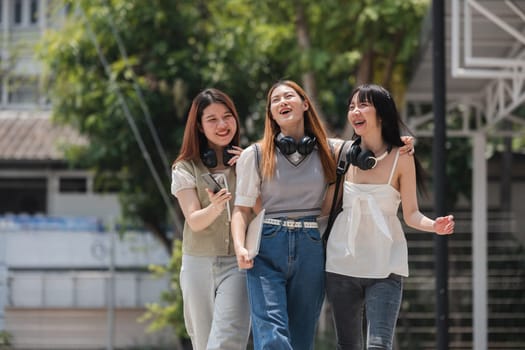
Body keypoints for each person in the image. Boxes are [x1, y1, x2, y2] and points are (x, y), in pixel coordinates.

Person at [325, 83, 455, 350]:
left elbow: (411, 214)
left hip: (386, 265)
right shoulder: (341, 153)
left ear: (381, 114)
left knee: (379, 345)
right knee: (346, 345)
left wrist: (435, 226)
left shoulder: (402, 157)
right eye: (352, 106)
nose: (355, 111)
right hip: (341, 264)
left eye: (363, 105)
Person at [231, 80, 337, 350]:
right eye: (275, 100)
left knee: (302, 338)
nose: (282, 102)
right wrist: (240, 247)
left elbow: (370, 146)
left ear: (305, 104)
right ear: (271, 113)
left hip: (311, 245)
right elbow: (241, 209)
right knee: (272, 336)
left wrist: (402, 144)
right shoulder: (254, 155)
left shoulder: (329, 151)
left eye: (289, 96)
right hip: (267, 245)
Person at [171, 88, 250, 350]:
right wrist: (215, 207)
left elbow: (263, 211)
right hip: (198, 264)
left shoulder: (250, 161)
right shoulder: (185, 168)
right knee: (203, 343)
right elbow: (193, 220)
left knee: (228, 340)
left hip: (238, 264)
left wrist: (249, 169)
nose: (222, 124)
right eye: (212, 119)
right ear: (200, 127)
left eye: (227, 116)